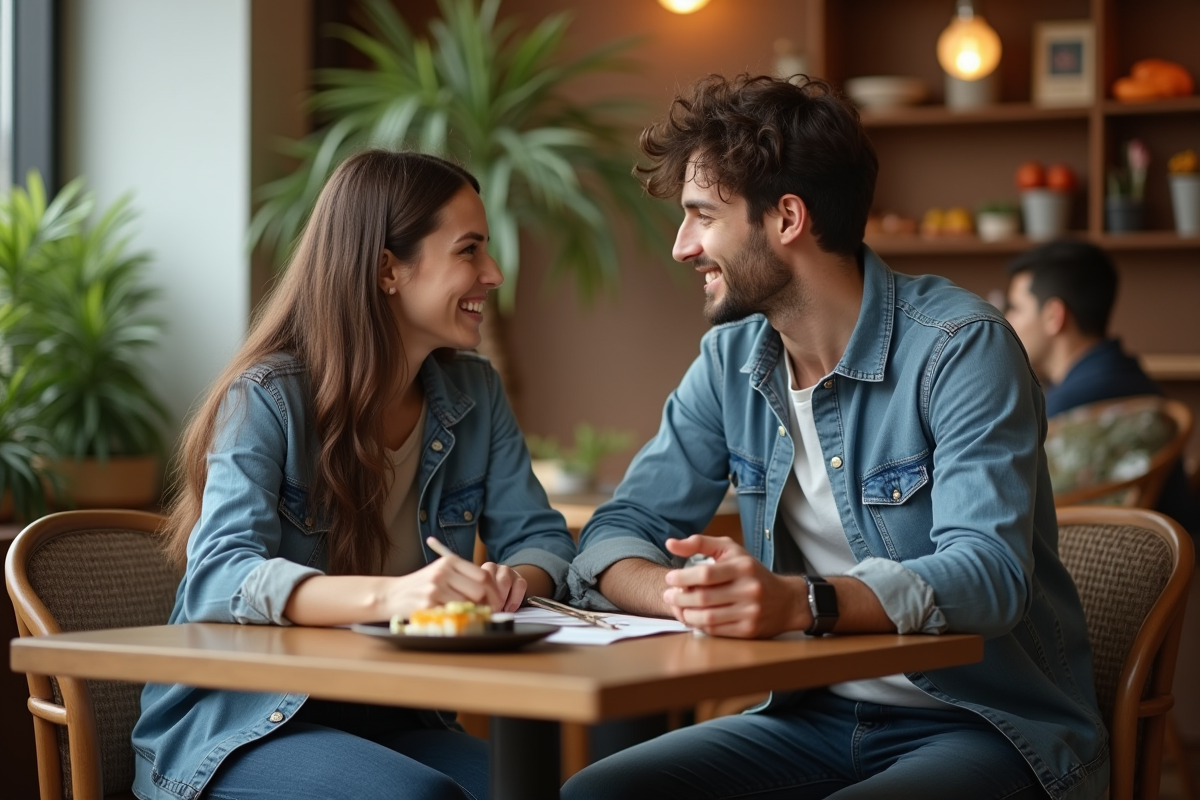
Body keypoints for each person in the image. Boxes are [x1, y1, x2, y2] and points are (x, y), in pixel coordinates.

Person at [561, 75, 1107, 800]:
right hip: (809, 715)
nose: (682, 247)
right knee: (596, 794)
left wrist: (801, 603)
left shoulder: (959, 348)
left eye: (701, 217)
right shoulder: (731, 362)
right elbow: (616, 533)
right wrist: (683, 597)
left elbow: (990, 574)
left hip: (984, 725)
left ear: (787, 217)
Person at [131, 150, 577, 800]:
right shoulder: (266, 399)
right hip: (241, 726)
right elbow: (219, 577)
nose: (494, 273)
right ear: (387, 268)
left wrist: (509, 582)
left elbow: (544, 540)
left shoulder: (475, 394)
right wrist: (393, 599)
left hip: (392, 713)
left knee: (538, 789)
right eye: (469, 250)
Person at [1005, 239, 1200, 533]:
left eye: (1015, 308)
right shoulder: (1133, 380)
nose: (1006, 321)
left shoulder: (1060, 410)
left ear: (1054, 316)